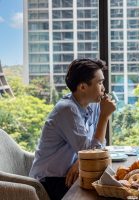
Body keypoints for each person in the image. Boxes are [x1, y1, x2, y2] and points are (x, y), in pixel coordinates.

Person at [29, 58, 116, 200]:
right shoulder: (67, 109)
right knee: (102, 194)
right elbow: (92, 153)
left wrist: (80, 161)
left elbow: (92, 148)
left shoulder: (92, 104)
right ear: (82, 87)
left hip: (70, 174)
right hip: (49, 181)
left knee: (112, 186)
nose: (103, 88)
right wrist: (104, 116)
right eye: (99, 83)